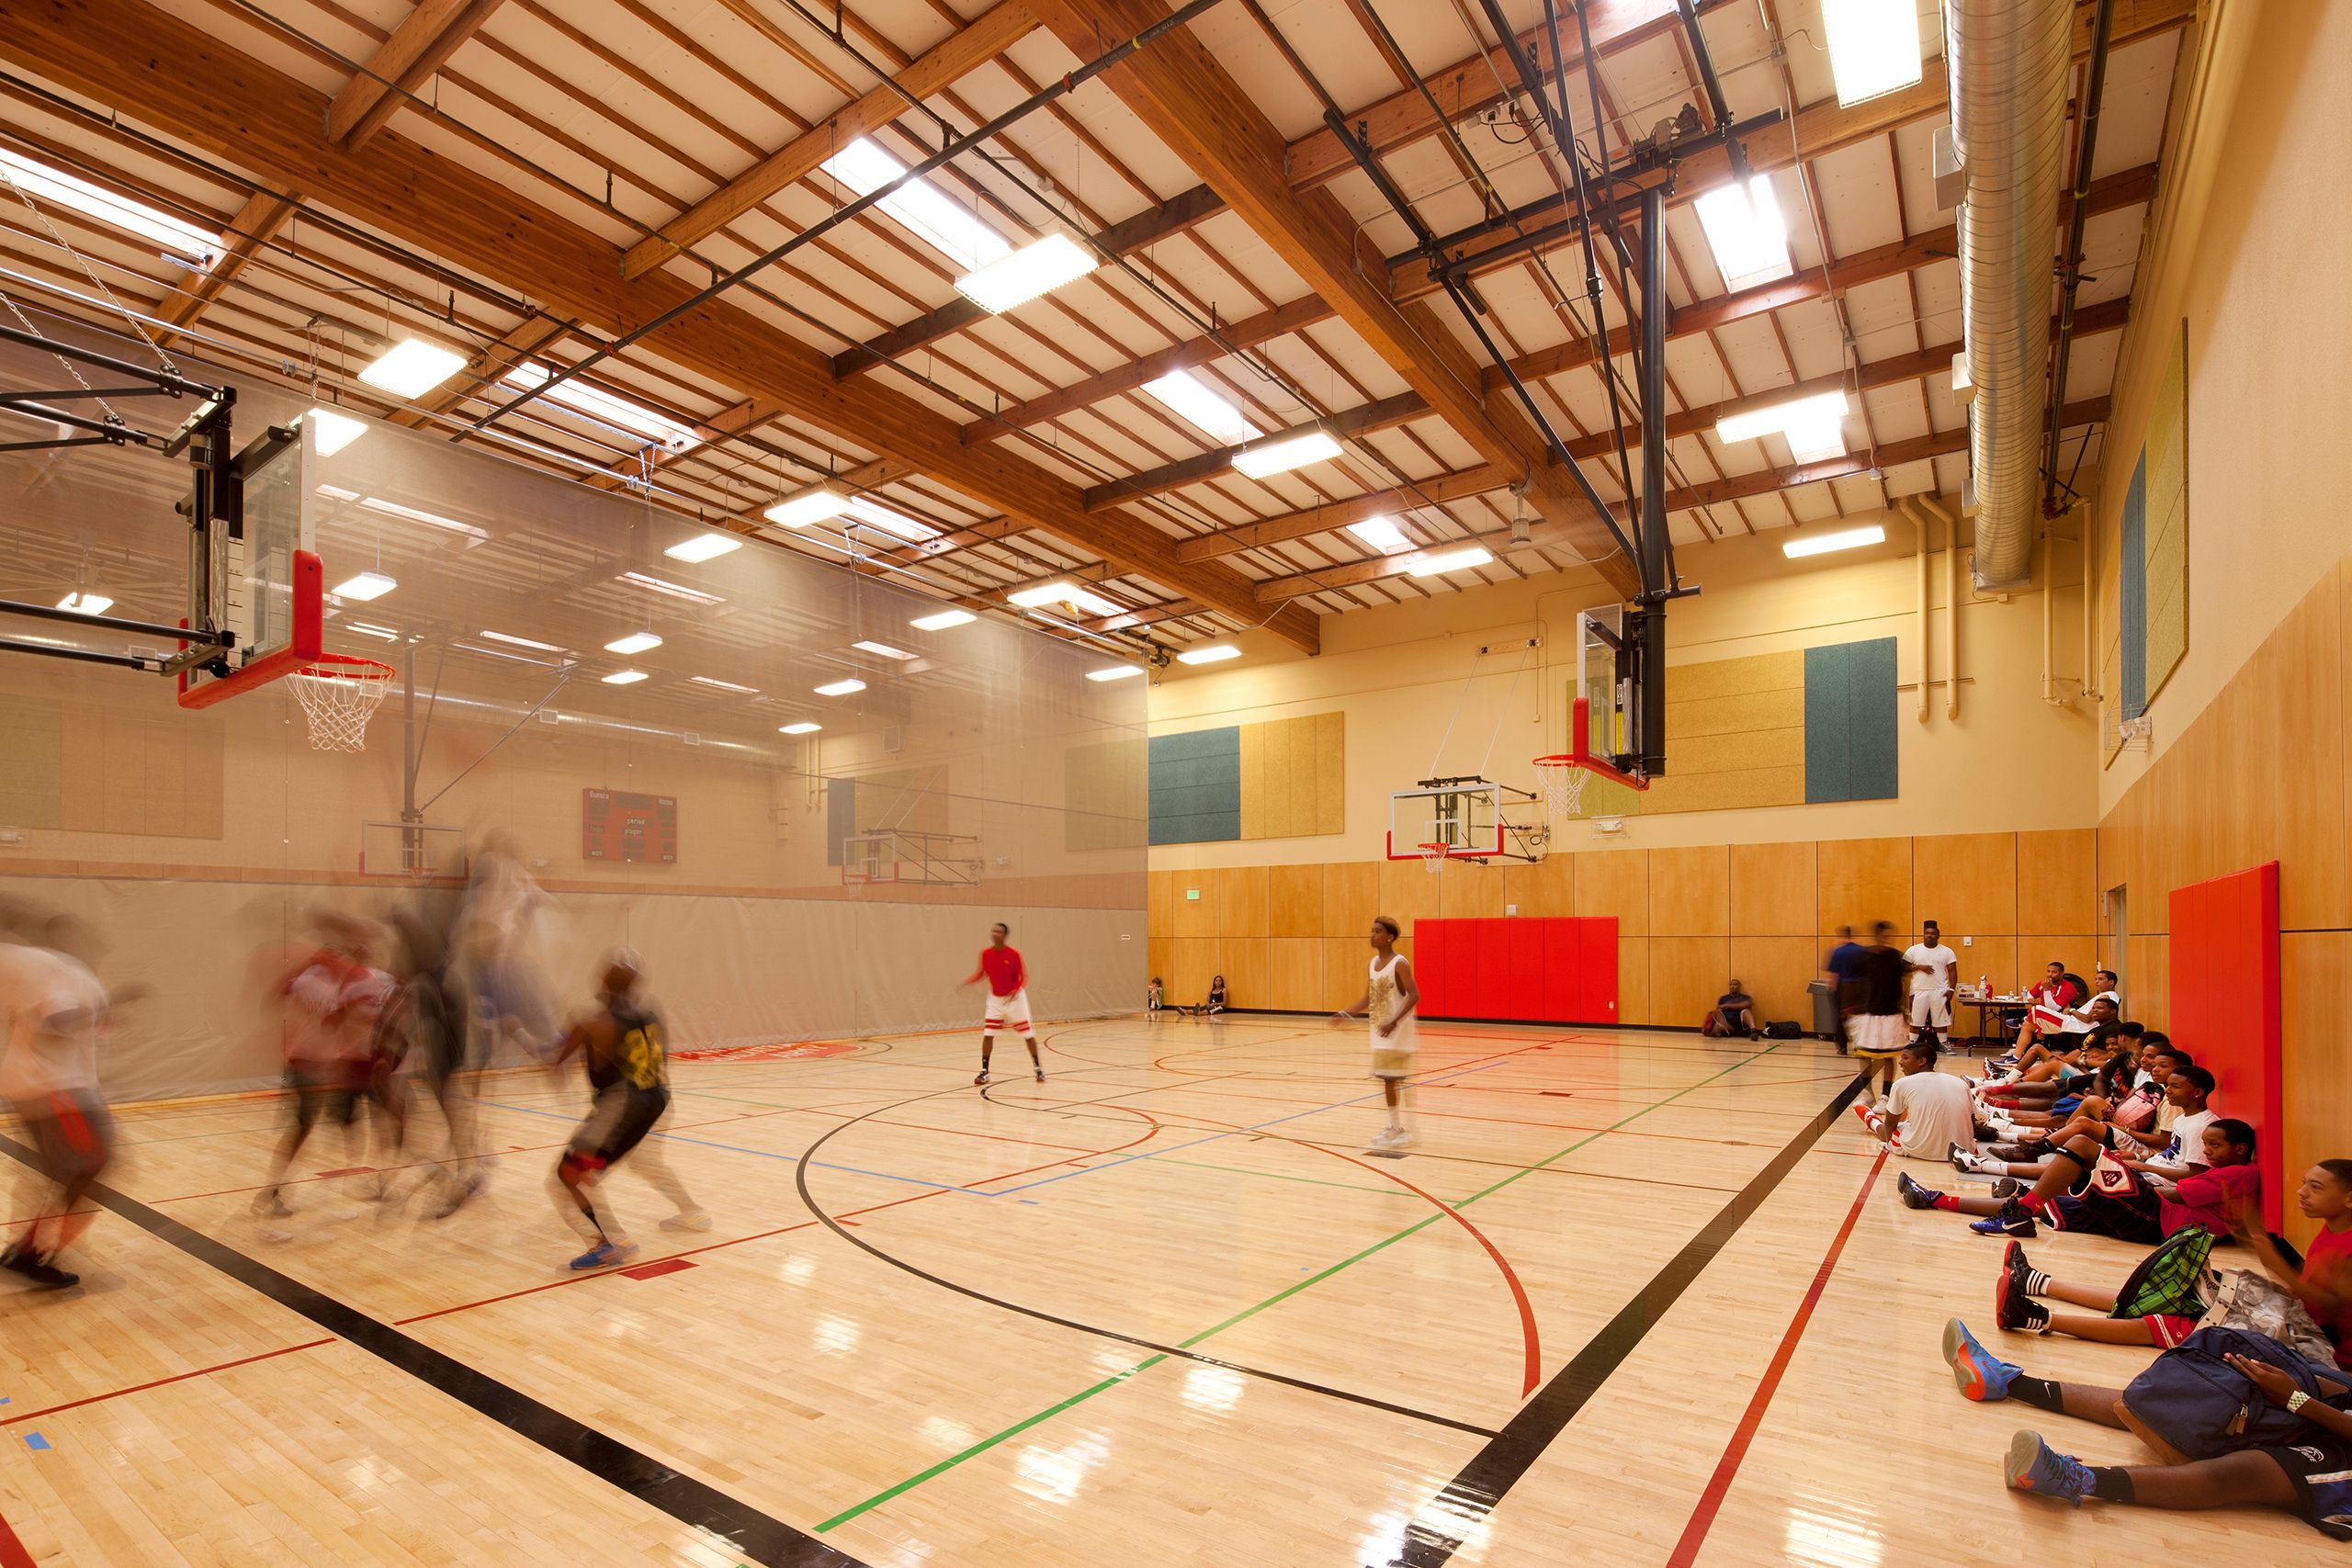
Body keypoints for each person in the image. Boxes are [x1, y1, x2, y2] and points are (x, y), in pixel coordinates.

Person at [1938, 1321, 2352, 1539]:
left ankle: (2073, 1479)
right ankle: (2006, 1382)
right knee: (2183, 1407)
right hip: (2329, 1413)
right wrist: (2304, 1385)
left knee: (2246, 1472)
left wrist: (2298, 1400)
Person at [547, 950, 707, 1271]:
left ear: (602, 980)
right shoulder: (651, 1013)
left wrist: (523, 1030)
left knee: (569, 1175)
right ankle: (693, 1213)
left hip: (624, 1106)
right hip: (657, 1100)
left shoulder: (593, 1022)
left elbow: (554, 1060)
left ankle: (609, 1243)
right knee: (642, 1162)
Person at [1899, 1115, 2259, 1243]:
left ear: (2241, 1149)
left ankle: (2020, 1203)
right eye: (2207, 1145)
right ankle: (1934, 1198)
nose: (2207, 1151)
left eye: (2214, 1146)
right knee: (2052, 1203)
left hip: (2161, 1221)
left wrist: (2135, 1171)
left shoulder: (2239, 1174)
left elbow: (2179, 1193)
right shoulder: (2230, 1170)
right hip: (2157, 1214)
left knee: (2084, 1146)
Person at [254, 912, 396, 1224]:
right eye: (337, 954)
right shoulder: (316, 982)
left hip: (325, 1066)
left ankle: (353, 1180)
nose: (340, 959)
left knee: (341, 1126)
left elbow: (281, 995)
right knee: (302, 1131)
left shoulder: (336, 981)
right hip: (307, 1064)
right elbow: (328, 1016)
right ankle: (274, 1190)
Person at [0, 919, 117, 1289]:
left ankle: (27, 1249)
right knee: (90, 1165)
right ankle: (30, 1253)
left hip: (65, 1087)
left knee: (76, 1169)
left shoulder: (76, 975)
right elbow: (55, 1019)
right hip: (53, 1089)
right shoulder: (51, 970)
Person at [2231, 1159, 2352, 1368]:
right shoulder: (2332, 1227)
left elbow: (2336, 1309)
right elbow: (2313, 1281)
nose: (2301, 1192)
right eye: (2305, 1183)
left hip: (2326, 1346)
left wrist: (2277, 1266)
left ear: (2349, 1199)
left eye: (2315, 1187)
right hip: (2300, 1320)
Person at [1332, 916, 1419, 1153]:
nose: (1372, 935)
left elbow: (1414, 995)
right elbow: (1368, 998)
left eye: (1377, 931)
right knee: (1388, 1079)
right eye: (1371, 930)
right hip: (1380, 1032)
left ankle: (1400, 1128)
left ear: (1389, 937)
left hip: (1397, 1032)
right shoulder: (1373, 964)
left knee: (1392, 1079)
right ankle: (1397, 1127)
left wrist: (1394, 1021)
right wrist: (1345, 1013)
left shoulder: (1400, 963)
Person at [1853, 1038, 1974, 1160]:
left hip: (1921, 1150)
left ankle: (1870, 1119)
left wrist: (1888, 1144)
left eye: (1905, 1058)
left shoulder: (1902, 1084)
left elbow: (1889, 1125)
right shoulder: (1960, 1083)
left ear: (1922, 1061)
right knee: (1909, 1123)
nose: (1900, 1062)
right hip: (1962, 1151)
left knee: (1890, 1129)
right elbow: (1972, 1122)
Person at [964, 922, 1041, 1085]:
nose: (995, 933)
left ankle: (1038, 1068)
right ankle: (984, 1071)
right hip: (995, 999)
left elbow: (1023, 977)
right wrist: (968, 983)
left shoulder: (1013, 954)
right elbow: (981, 973)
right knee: (988, 1033)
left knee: (1028, 1035)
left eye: (998, 932)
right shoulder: (985, 953)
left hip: (1015, 999)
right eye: (993, 931)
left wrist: (1014, 990)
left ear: (1005, 935)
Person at [1848, 921, 1909, 1099]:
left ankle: (1886, 1094)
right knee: (1863, 1054)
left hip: (1891, 1012)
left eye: (1889, 936)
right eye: (1883, 935)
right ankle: (1867, 1091)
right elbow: (1855, 983)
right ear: (1876, 935)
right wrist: (1851, 1006)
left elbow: (1904, 983)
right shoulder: (1864, 957)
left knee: (1888, 1056)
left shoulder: (1896, 957)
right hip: (1867, 1013)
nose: (1886, 939)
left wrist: (1905, 1009)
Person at [1903, 919, 1959, 1045]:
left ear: (1938, 936)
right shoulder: (1913, 950)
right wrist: (1919, 967)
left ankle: (1943, 1043)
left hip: (1939, 990)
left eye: (1932, 933)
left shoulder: (1947, 951)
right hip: (1918, 990)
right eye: (1927, 933)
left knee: (1941, 1020)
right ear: (1923, 935)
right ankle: (1912, 1042)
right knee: (1916, 1019)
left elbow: (1952, 971)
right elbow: (1903, 967)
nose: (1929, 935)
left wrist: (1951, 989)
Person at [1823, 926, 1865, 1055]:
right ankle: (1860, 1044)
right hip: (1860, 987)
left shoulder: (1837, 951)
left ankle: (1842, 1047)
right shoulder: (1861, 950)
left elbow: (1834, 974)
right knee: (1860, 1017)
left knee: (1840, 1017)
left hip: (1843, 987)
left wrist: (1831, 989)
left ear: (1841, 935)